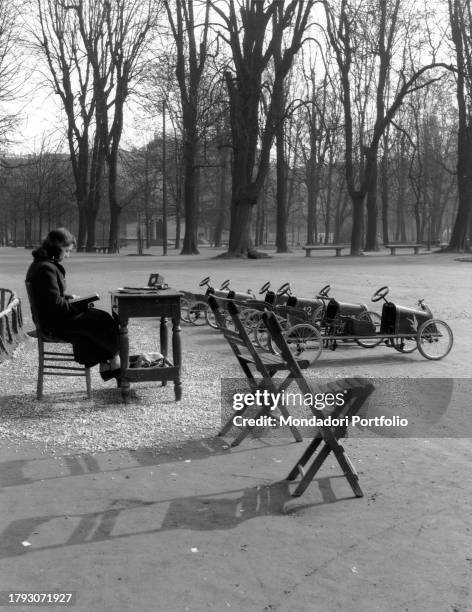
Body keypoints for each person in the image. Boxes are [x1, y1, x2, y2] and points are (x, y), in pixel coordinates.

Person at [25, 227, 120, 380]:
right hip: (53, 324)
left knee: (101, 317)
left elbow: (49, 297)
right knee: (101, 319)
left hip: (52, 318)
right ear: (57, 247)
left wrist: (70, 298)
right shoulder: (45, 269)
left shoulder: (43, 264)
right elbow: (56, 306)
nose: (68, 255)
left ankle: (109, 362)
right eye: (67, 250)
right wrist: (81, 304)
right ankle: (113, 362)